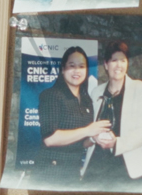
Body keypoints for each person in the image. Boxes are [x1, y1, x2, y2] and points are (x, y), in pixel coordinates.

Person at [83, 42, 142, 188]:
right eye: (114, 60)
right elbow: (89, 126)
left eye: (123, 60)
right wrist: (93, 137)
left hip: (129, 167)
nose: (119, 65)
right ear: (106, 64)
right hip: (98, 165)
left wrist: (116, 143)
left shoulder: (140, 88)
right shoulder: (96, 92)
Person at [35, 46, 108, 176]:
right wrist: (88, 130)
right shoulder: (51, 95)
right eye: (72, 65)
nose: (76, 71)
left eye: (81, 66)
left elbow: (81, 143)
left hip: (73, 171)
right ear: (63, 69)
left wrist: (95, 138)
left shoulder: (86, 100)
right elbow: (50, 139)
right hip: (50, 171)